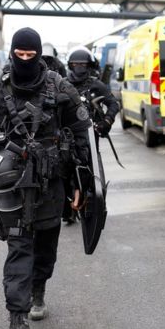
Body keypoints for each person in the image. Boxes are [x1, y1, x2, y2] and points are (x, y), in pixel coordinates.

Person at [0, 27, 92, 329]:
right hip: (13, 184)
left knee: (45, 246)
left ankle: (38, 290)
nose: (25, 60)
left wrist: (83, 185)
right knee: (19, 249)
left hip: (52, 183)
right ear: (12, 53)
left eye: (31, 55)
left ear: (39, 54)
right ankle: (18, 322)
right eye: (20, 54)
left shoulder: (60, 89)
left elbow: (82, 139)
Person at [59, 47, 120, 224]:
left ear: (89, 65)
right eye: (76, 64)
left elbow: (113, 104)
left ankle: (95, 204)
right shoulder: (62, 84)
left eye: (83, 64)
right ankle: (67, 207)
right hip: (66, 136)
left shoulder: (96, 85)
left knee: (91, 170)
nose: (79, 67)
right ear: (70, 65)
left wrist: (105, 122)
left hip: (89, 135)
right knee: (63, 170)